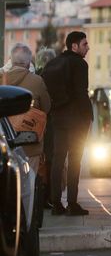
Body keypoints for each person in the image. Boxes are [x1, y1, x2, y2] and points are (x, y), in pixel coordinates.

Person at [43, 31, 92, 216]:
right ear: (74, 46)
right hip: (77, 120)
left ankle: (56, 202)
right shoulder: (80, 64)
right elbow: (82, 92)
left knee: (57, 159)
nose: (88, 48)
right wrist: (88, 116)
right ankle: (72, 202)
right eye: (84, 44)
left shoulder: (53, 64)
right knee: (75, 161)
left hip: (58, 118)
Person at [3, 43, 51, 173]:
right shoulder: (37, 81)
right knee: (28, 186)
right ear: (29, 61)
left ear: (11, 60)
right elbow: (46, 108)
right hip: (30, 142)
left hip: (5, 142)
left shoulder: (1, 79)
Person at [35, 47, 58, 209]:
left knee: (40, 160)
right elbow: (49, 104)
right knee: (50, 160)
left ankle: (40, 196)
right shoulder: (56, 77)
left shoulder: (36, 76)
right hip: (50, 123)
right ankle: (49, 196)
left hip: (35, 123)